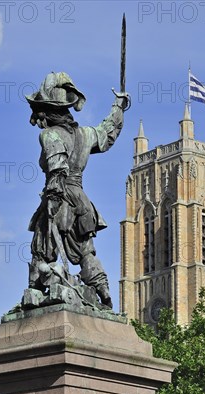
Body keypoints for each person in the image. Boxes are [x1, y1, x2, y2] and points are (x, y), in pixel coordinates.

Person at [26, 72, 130, 309]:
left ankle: (33, 293)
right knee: (86, 251)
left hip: (61, 195)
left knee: (41, 246)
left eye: (38, 113)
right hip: (82, 200)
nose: (36, 120)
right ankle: (104, 294)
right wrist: (119, 106)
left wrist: (52, 201)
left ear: (47, 111)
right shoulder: (84, 134)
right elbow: (107, 131)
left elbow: (58, 167)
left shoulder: (49, 135)